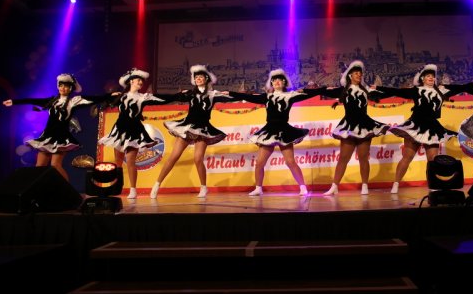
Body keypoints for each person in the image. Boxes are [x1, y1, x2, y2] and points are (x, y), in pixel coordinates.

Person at [228, 68, 324, 196]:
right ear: (271, 83)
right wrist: (230, 93)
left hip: (284, 131)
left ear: (284, 82)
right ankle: (258, 188)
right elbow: (247, 96)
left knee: (290, 162)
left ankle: (302, 187)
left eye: (280, 80)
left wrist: (317, 90)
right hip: (269, 132)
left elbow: (309, 94)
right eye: (274, 80)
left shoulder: (290, 96)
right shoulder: (267, 97)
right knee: (259, 163)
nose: (277, 82)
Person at [375, 64, 463, 194]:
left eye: (433, 76)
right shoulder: (416, 90)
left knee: (433, 160)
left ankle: (433, 186)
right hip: (415, 126)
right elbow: (397, 92)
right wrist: (378, 88)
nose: (431, 78)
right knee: (407, 157)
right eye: (428, 76)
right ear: (422, 78)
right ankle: (396, 184)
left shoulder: (441, 91)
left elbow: (460, 88)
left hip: (432, 128)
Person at [150, 65, 234, 199]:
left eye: (201, 77)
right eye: (196, 77)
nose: (198, 79)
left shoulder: (212, 95)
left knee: (198, 158)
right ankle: (156, 185)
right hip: (187, 127)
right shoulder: (189, 94)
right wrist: (151, 97)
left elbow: (230, 98)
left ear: (206, 79)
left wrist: (235, 95)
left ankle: (204, 187)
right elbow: (170, 98)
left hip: (203, 129)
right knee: (174, 156)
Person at [2, 74, 107, 181]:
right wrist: (14, 102)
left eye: (66, 86)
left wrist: (110, 96)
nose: (63, 88)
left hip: (61, 139)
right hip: (47, 138)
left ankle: (67, 189)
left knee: (55, 165)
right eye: (61, 85)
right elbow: (32, 100)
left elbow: (94, 99)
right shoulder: (52, 101)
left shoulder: (73, 102)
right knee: (39, 166)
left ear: (71, 88)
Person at [98, 68, 177, 199]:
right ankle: (114, 186)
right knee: (118, 161)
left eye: (141, 80)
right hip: (120, 131)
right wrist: (110, 96)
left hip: (134, 131)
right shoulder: (121, 96)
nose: (140, 82)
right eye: (138, 80)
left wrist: (178, 95)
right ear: (131, 81)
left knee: (130, 161)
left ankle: (133, 190)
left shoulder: (142, 97)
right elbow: (103, 101)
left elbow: (162, 98)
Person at [321, 60, 390, 196]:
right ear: (350, 75)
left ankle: (365, 185)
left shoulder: (366, 90)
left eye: (360, 73)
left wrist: (380, 89)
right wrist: (305, 91)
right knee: (343, 158)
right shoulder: (344, 90)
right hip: (349, 126)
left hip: (364, 125)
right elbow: (324, 91)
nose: (359, 75)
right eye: (356, 73)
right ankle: (334, 186)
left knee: (363, 157)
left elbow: (384, 94)